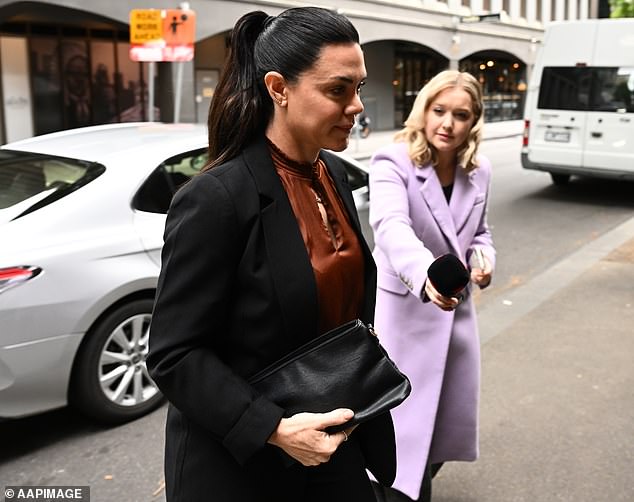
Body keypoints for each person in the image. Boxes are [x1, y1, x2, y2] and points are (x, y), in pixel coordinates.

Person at [147, 7, 396, 502]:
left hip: (333, 443)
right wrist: (275, 429)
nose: (357, 106)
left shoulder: (336, 175)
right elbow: (174, 355)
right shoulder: (216, 198)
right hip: (244, 467)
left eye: (360, 88)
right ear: (279, 88)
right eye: (337, 89)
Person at [368, 70, 495, 502]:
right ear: (423, 109)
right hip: (406, 318)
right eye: (439, 111)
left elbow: (480, 234)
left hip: (456, 322)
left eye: (461, 115)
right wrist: (426, 275)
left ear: (473, 120)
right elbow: (390, 228)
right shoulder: (393, 161)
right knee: (401, 444)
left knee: (438, 436)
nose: (447, 124)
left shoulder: (479, 171)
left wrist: (483, 259)